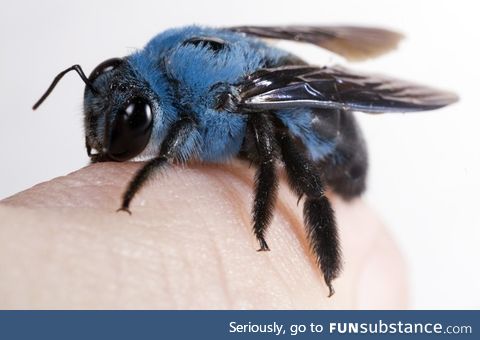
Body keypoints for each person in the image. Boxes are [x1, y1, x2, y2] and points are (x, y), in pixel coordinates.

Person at [0, 161, 407, 309]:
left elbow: (267, 151)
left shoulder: (215, 100)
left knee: (272, 138)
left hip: (332, 148)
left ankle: (330, 267)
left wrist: (261, 224)